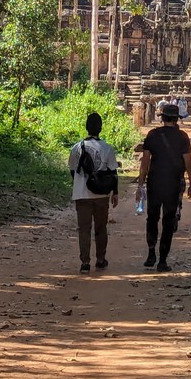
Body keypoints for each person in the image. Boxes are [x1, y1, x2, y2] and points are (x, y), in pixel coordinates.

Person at [137, 103, 191, 272]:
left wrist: (141, 185)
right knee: (168, 221)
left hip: (155, 183)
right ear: (177, 119)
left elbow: (145, 163)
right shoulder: (182, 137)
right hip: (173, 184)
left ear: (162, 118)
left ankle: (150, 253)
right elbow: (188, 163)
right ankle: (162, 259)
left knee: (152, 218)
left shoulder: (152, 135)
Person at [68, 112, 119, 274]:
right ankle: (100, 259)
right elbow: (113, 173)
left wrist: (80, 183)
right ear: (101, 128)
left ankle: (84, 262)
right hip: (101, 195)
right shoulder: (107, 148)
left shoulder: (77, 147)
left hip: (81, 194)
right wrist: (115, 193)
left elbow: (72, 170)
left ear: (86, 128)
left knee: (83, 229)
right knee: (101, 228)